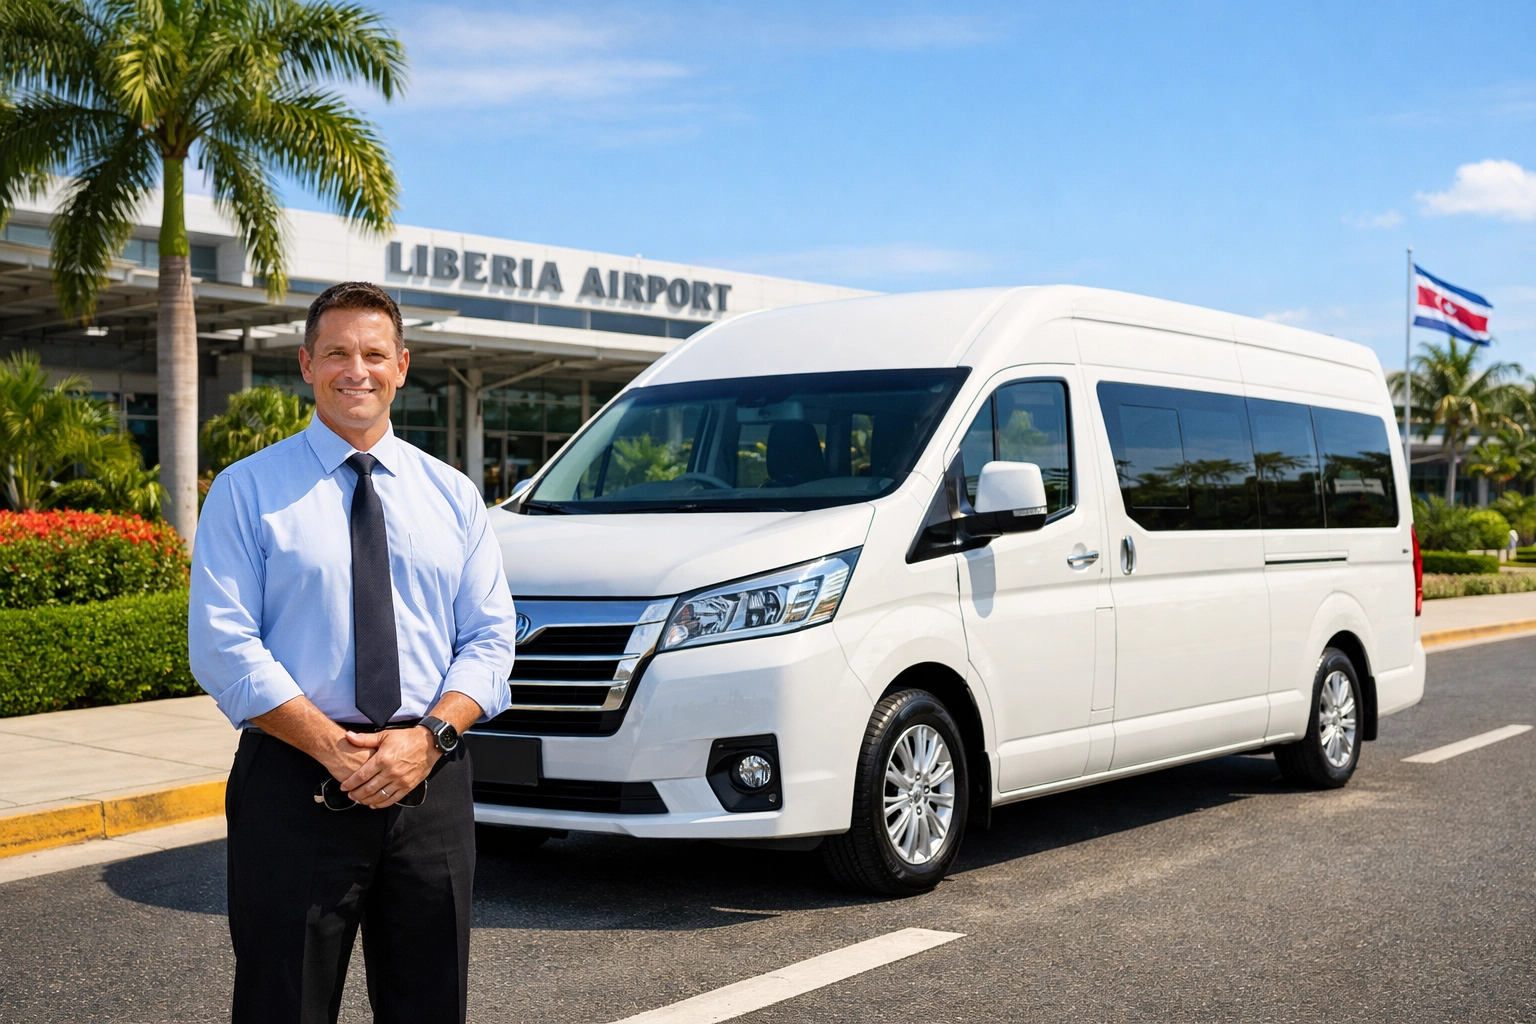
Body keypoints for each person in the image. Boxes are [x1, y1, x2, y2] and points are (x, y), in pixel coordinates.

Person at [189, 281, 516, 1023]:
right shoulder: (246, 491)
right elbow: (222, 641)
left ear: (402, 365)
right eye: (336, 352)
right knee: (284, 1005)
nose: (355, 370)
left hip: (429, 782)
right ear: (305, 364)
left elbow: (491, 640)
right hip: (293, 784)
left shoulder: (455, 495)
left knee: (430, 1006)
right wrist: (334, 747)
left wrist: (426, 741)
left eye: (373, 353)